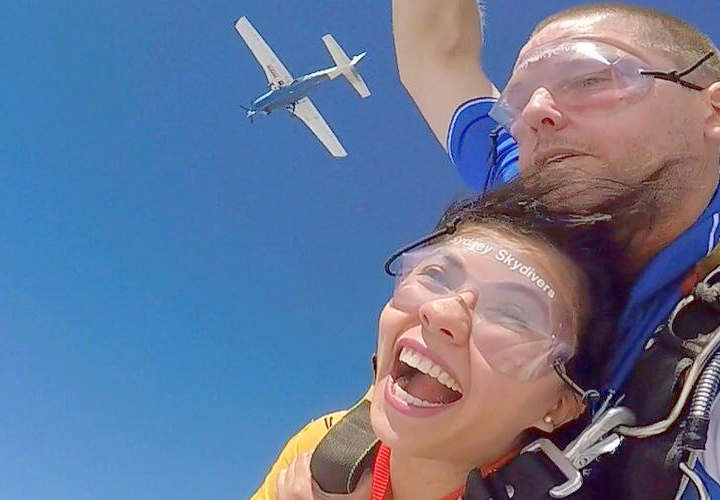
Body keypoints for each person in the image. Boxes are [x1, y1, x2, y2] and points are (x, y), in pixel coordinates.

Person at [258, 3, 720, 499]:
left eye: (592, 80)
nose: (539, 113)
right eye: (520, 99)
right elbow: (434, 57)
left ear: (717, 111)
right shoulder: (531, 181)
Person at [258, 182, 630, 500]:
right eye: (435, 275)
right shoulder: (319, 455)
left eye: (513, 315)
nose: (441, 312)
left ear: (559, 405)